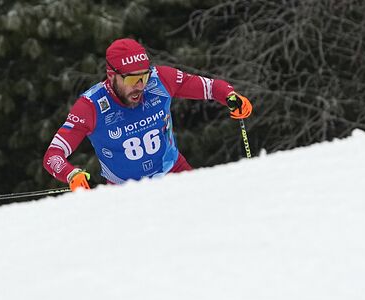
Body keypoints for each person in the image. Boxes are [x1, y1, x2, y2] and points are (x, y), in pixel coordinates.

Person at [43, 38, 252, 191]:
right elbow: (53, 154)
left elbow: (209, 87)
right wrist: (71, 174)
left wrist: (230, 96)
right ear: (111, 76)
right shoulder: (91, 105)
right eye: (132, 80)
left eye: (144, 76)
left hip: (174, 172)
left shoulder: (160, 80)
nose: (140, 86)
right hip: (125, 191)